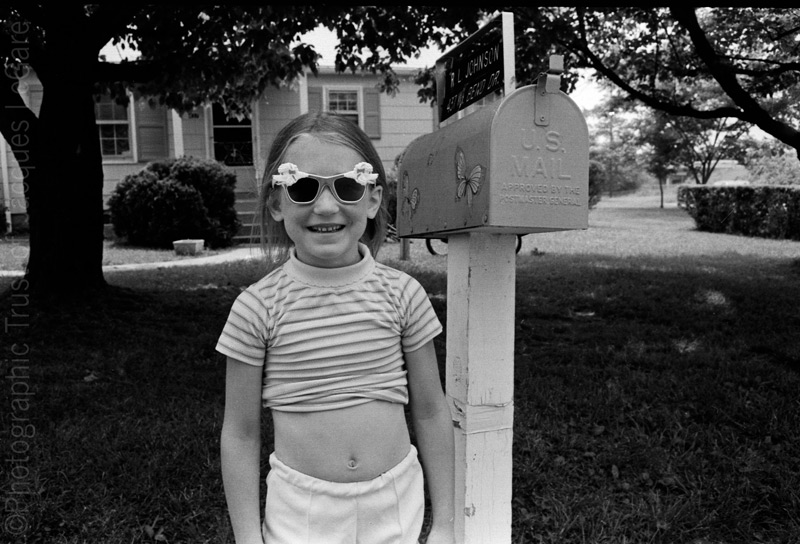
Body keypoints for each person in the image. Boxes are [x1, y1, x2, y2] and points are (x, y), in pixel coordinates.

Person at [217, 112, 455, 544]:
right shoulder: (256, 309)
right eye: (303, 188)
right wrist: (248, 537)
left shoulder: (404, 295)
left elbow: (431, 411)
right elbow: (240, 432)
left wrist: (446, 524)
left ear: (372, 199)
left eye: (346, 187)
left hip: (395, 501)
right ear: (276, 203)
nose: (326, 207)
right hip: (301, 513)